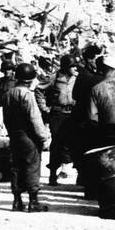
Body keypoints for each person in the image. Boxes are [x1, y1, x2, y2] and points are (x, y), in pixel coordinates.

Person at [3, 62, 51, 212]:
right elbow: (34, 118)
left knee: (16, 167)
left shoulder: (8, 94)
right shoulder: (27, 95)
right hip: (28, 136)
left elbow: (5, 118)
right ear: (30, 80)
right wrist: (44, 137)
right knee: (32, 166)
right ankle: (33, 201)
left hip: (14, 135)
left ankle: (17, 201)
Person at [70, 45, 104, 192]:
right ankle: (88, 183)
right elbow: (76, 95)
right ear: (89, 59)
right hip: (85, 117)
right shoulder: (86, 75)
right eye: (96, 59)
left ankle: (86, 180)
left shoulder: (88, 74)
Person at [45, 54, 77, 186]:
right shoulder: (55, 77)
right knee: (57, 143)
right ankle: (53, 173)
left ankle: (75, 172)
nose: (74, 68)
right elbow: (40, 91)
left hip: (73, 113)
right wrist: (45, 108)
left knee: (74, 143)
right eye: (72, 66)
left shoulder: (77, 78)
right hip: (58, 113)